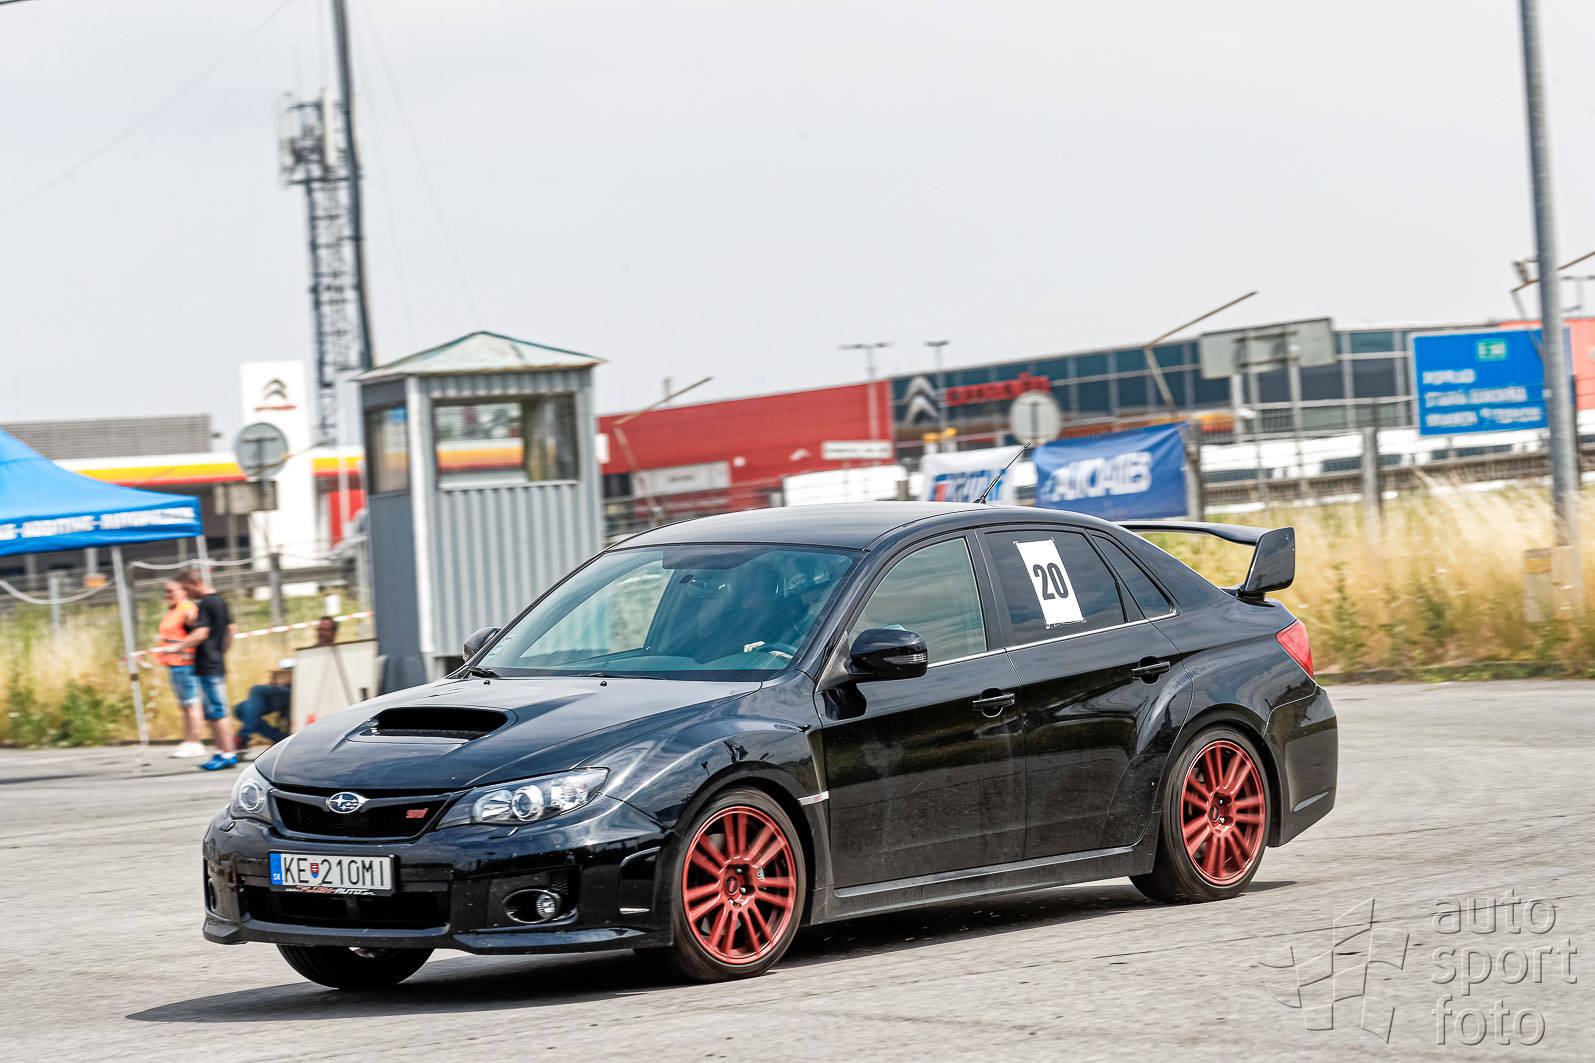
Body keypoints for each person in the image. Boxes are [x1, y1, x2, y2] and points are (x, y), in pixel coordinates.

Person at [233, 616, 339, 751]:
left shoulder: (333, 653)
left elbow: (310, 679)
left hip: (299, 693)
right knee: (241, 708)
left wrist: (289, 681)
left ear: (333, 632)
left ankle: (243, 736)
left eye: (325, 630)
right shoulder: (310, 651)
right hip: (287, 690)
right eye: (319, 629)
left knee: (255, 690)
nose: (320, 633)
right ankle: (277, 737)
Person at [171, 567, 239, 771]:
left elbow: (201, 633)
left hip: (209, 665)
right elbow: (230, 630)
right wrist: (220, 651)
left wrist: (177, 647)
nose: (186, 593)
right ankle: (221, 750)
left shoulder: (207, 603)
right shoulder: (219, 601)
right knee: (212, 711)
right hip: (213, 661)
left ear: (196, 583)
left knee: (217, 711)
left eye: (186, 588)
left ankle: (227, 753)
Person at [155, 580, 206, 758]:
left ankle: (196, 742)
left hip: (186, 664)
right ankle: (189, 740)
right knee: (184, 705)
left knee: (192, 704)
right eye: (165, 591)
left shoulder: (188, 609)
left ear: (183, 591)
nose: (167, 595)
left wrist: (185, 650)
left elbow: (199, 634)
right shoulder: (173, 610)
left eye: (171, 591)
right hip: (174, 664)